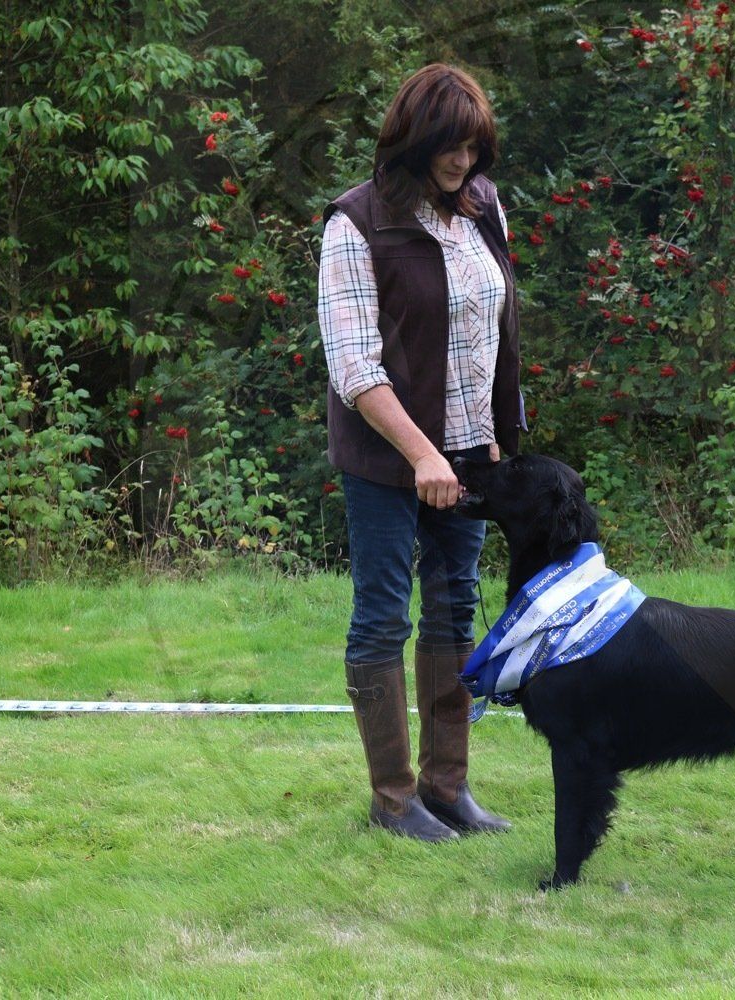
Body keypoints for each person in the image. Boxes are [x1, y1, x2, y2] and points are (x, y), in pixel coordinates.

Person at [317, 63, 521, 841]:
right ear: (413, 139)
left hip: (470, 453)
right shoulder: (354, 223)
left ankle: (447, 788)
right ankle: (394, 801)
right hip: (385, 459)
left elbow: (491, 328)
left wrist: (489, 433)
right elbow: (353, 367)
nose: (463, 162)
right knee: (381, 618)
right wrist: (422, 455)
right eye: (449, 147)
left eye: (474, 147)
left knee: (455, 606)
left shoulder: (483, 207)